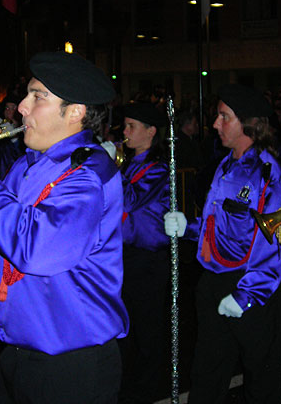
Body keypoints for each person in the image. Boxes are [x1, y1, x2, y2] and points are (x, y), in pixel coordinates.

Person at [0, 51, 129, 404]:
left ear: (76, 110)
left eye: (38, 96)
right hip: (21, 352)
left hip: (70, 365)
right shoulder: (26, 166)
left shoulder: (88, 175)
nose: (21, 107)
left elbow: (36, 249)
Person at [164, 84, 281, 404]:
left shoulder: (269, 173)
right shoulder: (226, 165)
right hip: (214, 280)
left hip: (252, 285)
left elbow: (276, 240)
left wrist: (246, 295)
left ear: (249, 123)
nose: (215, 124)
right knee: (208, 369)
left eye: (224, 117)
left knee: (261, 375)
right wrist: (188, 228)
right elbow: (217, 224)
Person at [116, 102, 170, 404]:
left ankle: (147, 388)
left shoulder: (159, 168)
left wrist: (109, 168)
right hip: (123, 255)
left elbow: (129, 200)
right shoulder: (128, 163)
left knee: (147, 328)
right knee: (123, 324)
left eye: (131, 126)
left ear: (151, 132)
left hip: (147, 259)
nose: (124, 132)